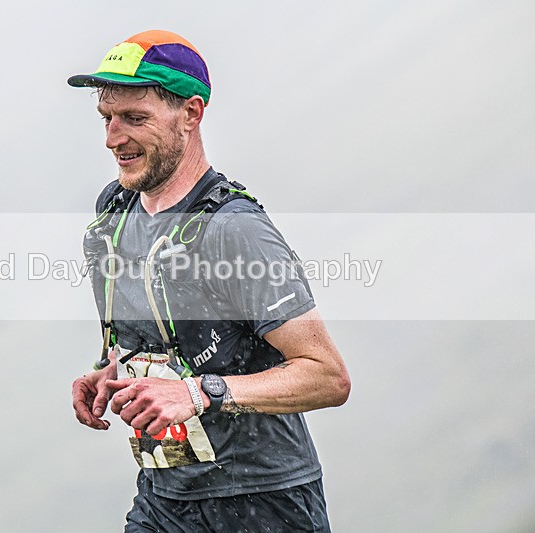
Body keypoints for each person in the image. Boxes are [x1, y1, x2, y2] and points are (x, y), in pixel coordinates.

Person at [69, 30, 350, 532]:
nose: (112, 138)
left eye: (135, 119)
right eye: (107, 118)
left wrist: (200, 393)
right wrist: (111, 371)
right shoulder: (114, 210)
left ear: (191, 114)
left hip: (264, 502)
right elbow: (168, 342)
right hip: (164, 500)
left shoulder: (234, 229)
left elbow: (327, 377)